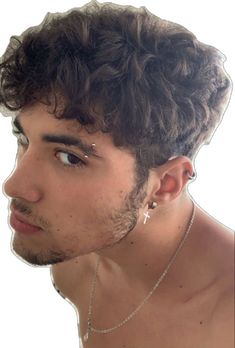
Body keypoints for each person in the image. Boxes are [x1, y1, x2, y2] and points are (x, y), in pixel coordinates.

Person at [0, 1, 234, 347]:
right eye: (24, 139)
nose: (14, 185)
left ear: (166, 185)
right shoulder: (75, 258)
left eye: (69, 158)